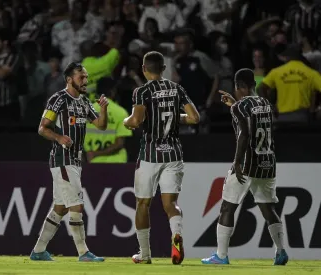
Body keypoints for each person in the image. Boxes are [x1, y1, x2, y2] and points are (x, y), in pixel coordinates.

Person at [201, 69, 288, 265]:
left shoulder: (240, 107)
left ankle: (221, 256)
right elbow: (254, 119)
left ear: (238, 86)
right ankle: (281, 251)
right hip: (268, 162)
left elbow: (245, 134)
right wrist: (235, 104)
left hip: (248, 163)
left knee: (227, 207)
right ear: (253, 85)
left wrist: (237, 162)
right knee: (268, 208)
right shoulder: (265, 103)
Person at [123, 51, 200, 265]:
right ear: (164, 69)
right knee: (171, 204)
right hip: (174, 154)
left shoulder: (142, 91)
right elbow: (194, 118)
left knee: (143, 204)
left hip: (150, 154)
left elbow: (136, 120)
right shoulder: (177, 89)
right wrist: (177, 118)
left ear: (144, 69)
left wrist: (125, 121)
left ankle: (145, 254)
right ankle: (176, 234)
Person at [30, 62, 108, 262]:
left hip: (75, 160)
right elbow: (42, 128)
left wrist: (104, 109)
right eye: (81, 77)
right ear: (69, 79)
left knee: (61, 207)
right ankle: (83, 253)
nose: (85, 81)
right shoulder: (58, 99)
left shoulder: (83, 101)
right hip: (62, 159)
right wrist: (59, 137)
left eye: (86, 77)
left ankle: (38, 251)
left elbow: (100, 125)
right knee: (76, 205)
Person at [84, 77, 132, 163]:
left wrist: (92, 154)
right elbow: (119, 143)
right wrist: (97, 153)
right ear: (113, 91)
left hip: (92, 162)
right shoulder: (121, 112)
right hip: (116, 162)